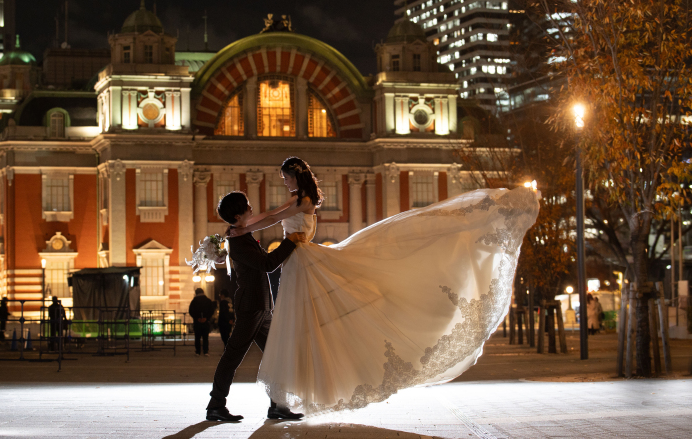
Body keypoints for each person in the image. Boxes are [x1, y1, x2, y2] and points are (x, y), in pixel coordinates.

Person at [228, 156, 539, 415]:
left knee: (306, 322)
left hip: (303, 261)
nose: (285, 183)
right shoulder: (300, 198)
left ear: (295, 177)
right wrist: (241, 228)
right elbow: (270, 216)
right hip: (298, 262)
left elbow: (270, 218)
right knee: (299, 325)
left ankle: (283, 399)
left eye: (286, 179)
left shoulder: (304, 200)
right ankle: (282, 400)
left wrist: (241, 229)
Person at [206, 191, 307, 422]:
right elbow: (268, 264)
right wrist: (289, 242)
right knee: (232, 356)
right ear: (238, 214)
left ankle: (278, 406)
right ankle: (215, 405)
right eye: (248, 206)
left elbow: (265, 256)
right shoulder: (238, 241)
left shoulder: (242, 235)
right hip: (251, 307)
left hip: (261, 307)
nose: (252, 208)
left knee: (278, 355)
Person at [189, 288, 216, 356]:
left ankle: (198, 351)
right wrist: (206, 318)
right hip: (206, 322)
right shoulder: (208, 300)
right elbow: (211, 310)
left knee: (197, 337)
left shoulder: (194, 301)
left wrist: (197, 318)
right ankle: (205, 351)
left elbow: (191, 311)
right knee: (205, 337)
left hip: (197, 322)